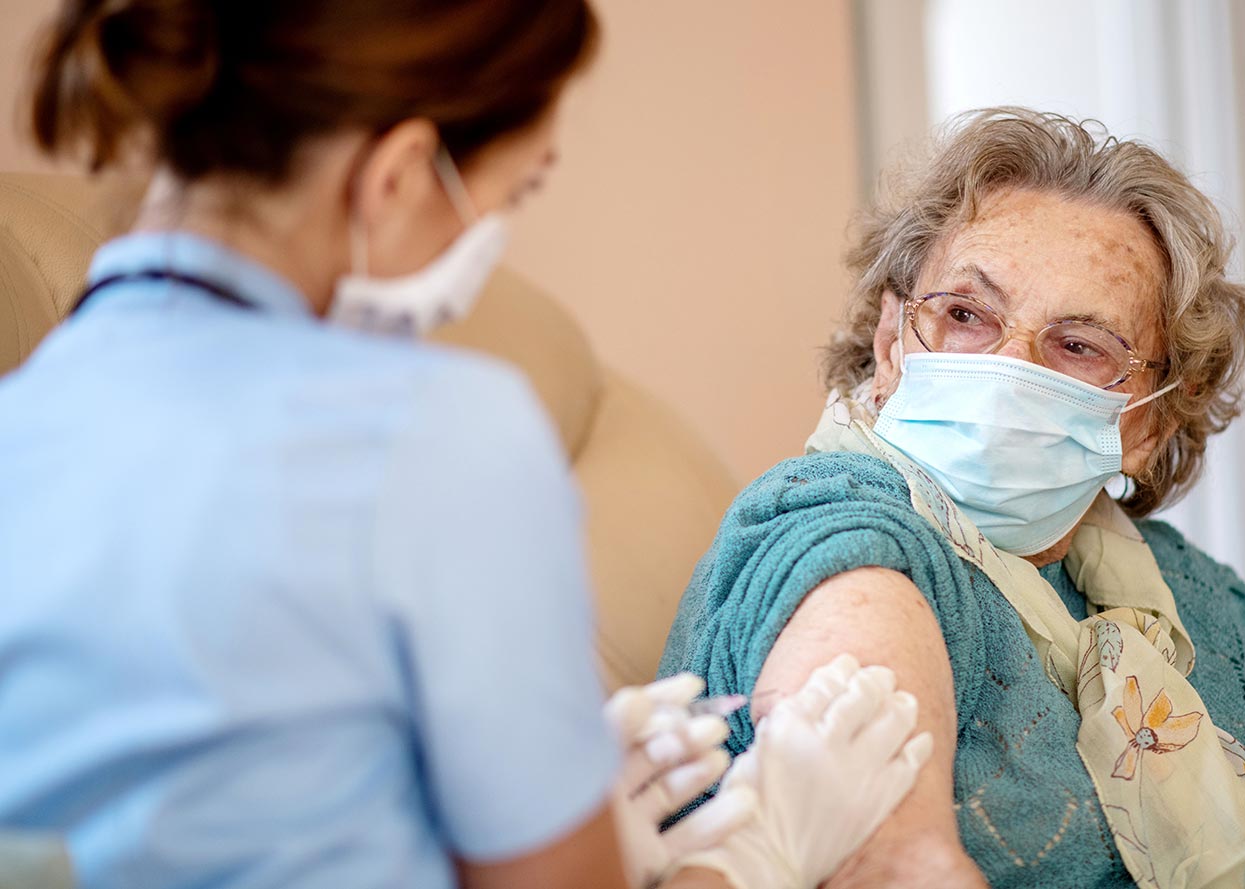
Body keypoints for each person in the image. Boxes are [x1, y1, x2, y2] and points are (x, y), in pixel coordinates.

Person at [0, 2, 928, 888]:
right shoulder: (438, 435)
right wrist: (756, 851)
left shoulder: (23, 419)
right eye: (514, 192)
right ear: (400, 174)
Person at [660, 108, 1245, 888]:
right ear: (892, 343)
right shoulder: (843, 527)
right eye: (966, 314)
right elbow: (891, 860)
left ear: (1152, 419)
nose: (1011, 369)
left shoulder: (1206, 601)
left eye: (1078, 345)